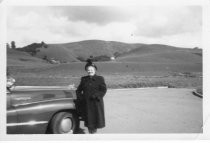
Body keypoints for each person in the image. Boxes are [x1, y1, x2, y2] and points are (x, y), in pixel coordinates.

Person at [76, 59, 107, 134]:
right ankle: (91, 133)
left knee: (95, 121)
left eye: (91, 69)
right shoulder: (84, 79)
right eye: (88, 70)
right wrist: (81, 98)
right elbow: (78, 90)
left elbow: (103, 90)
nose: (90, 71)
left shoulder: (100, 79)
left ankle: (93, 134)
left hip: (96, 103)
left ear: (95, 70)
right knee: (89, 122)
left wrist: (97, 95)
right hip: (87, 104)